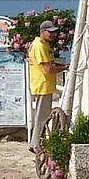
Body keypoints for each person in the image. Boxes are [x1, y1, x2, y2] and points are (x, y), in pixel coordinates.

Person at [26, 21, 65, 152]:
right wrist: (64, 68)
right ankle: (36, 144)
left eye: (55, 32)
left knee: (41, 115)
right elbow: (47, 69)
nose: (53, 35)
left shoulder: (45, 45)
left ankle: (35, 142)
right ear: (42, 32)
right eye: (50, 32)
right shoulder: (39, 46)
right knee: (41, 117)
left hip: (45, 85)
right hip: (42, 85)